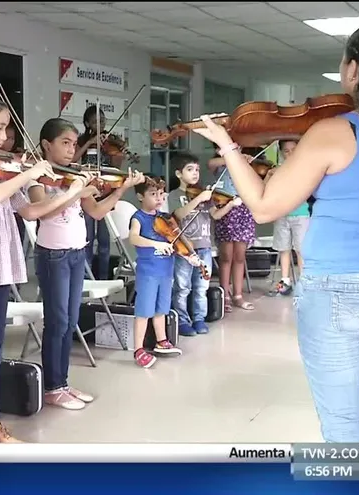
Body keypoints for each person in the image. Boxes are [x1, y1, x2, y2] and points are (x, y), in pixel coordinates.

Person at [191, 19, 359, 443]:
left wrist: (228, 146)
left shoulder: (333, 132)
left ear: (353, 69)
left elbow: (264, 205)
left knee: (345, 425)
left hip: (343, 290)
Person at [0, 91, 90, 443]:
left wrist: (72, 192)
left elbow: (31, 211)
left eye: (6, 129)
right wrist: (29, 174)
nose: (5, 136)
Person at [27, 117, 144, 410]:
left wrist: (121, 189)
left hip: (77, 253)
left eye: (74, 144)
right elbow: (44, 213)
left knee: (70, 321)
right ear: (47, 145)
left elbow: (97, 211)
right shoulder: (36, 178)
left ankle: (62, 383)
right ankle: (52, 387)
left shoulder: (73, 177)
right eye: (65, 143)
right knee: (57, 322)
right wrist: (76, 192)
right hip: (53, 256)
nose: (71, 149)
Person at [167, 152, 241, 336]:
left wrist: (230, 205)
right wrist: (199, 199)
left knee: (201, 287)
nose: (195, 173)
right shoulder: (175, 195)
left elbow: (215, 214)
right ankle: (182, 321)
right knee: (182, 287)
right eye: (190, 169)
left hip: (204, 247)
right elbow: (179, 214)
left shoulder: (204, 195)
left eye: (197, 170)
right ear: (178, 174)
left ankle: (199, 319)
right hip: (184, 249)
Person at [128, 178, 183, 368]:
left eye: (161, 194)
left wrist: (190, 256)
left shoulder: (165, 219)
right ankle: (138, 349)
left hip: (166, 271)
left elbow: (177, 242)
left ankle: (162, 341)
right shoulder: (138, 217)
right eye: (153, 194)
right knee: (144, 311)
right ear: (140, 196)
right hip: (148, 272)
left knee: (161, 309)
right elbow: (134, 238)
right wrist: (155, 244)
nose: (159, 198)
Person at [73, 105, 123, 280]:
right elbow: (74, 159)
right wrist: (90, 142)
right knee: (87, 238)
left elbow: (117, 166)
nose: (100, 124)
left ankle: (102, 278)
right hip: (88, 192)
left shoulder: (111, 140)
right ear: (87, 123)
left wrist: (117, 152)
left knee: (104, 240)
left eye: (102, 120)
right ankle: (86, 278)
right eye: (95, 122)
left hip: (106, 192)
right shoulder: (81, 140)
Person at [207, 146, 256, 313]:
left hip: (242, 210)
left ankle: (238, 295)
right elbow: (211, 163)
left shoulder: (244, 163)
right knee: (226, 256)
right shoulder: (219, 163)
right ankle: (224, 295)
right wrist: (235, 157)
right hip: (225, 208)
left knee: (239, 256)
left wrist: (245, 162)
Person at [265, 139, 309, 296]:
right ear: (281, 152)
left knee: (300, 249)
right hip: (281, 214)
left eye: (293, 150)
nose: (290, 154)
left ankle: (304, 282)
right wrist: (270, 174)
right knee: (284, 248)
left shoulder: (304, 168)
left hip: (301, 213)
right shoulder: (278, 169)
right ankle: (285, 280)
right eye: (286, 151)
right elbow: (265, 188)